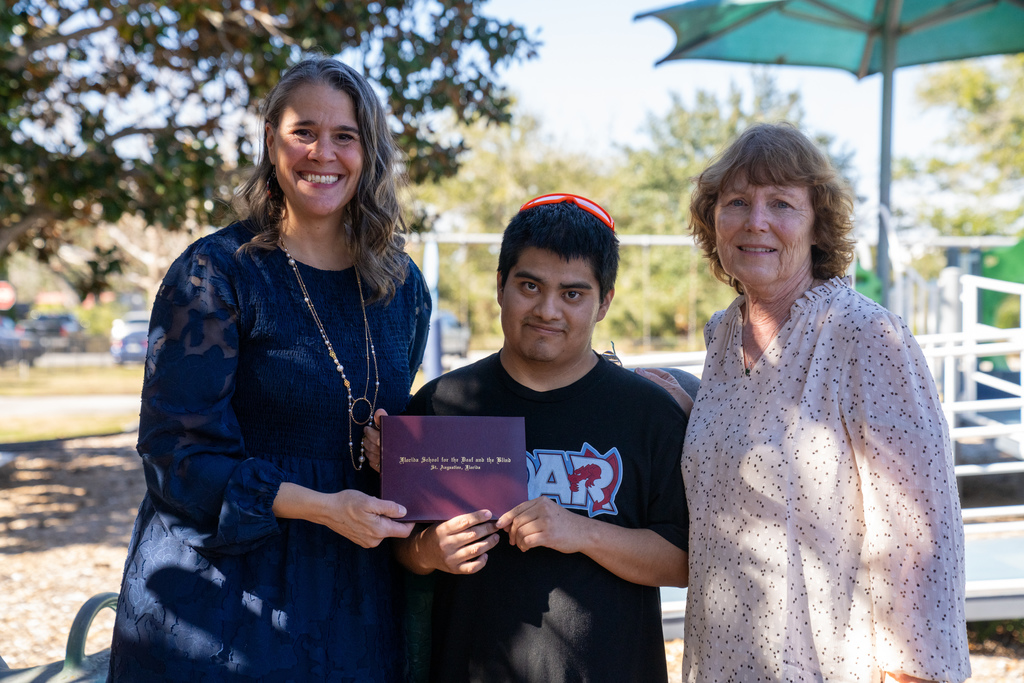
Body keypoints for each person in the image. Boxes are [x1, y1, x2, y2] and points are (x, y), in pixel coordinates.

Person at [108, 57, 430, 681]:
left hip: (353, 589)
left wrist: (390, 449)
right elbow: (176, 455)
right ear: (270, 143)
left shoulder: (401, 284)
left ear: (370, 152)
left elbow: (386, 409)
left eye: (346, 136)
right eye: (303, 131)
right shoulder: (216, 272)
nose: (323, 153)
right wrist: (320, 505)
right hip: (225, 587)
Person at [681, 122, 970, 683]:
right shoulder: (721, 338)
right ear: (713, 220)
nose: (755, 221)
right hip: (719, 661)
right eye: (737, 201)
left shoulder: (866, 334)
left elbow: (922, 538)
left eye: (782, 203)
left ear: (818, 225)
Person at [363, 194, 690, 683]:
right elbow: (398, 546)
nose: (547, 310)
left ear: (605, 303)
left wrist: (582, 532)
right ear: (500, 285)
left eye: (573, 293)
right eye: (530, 285)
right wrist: (431, 551)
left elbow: (686, 563)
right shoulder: (443, 403)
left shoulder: (650, 414)